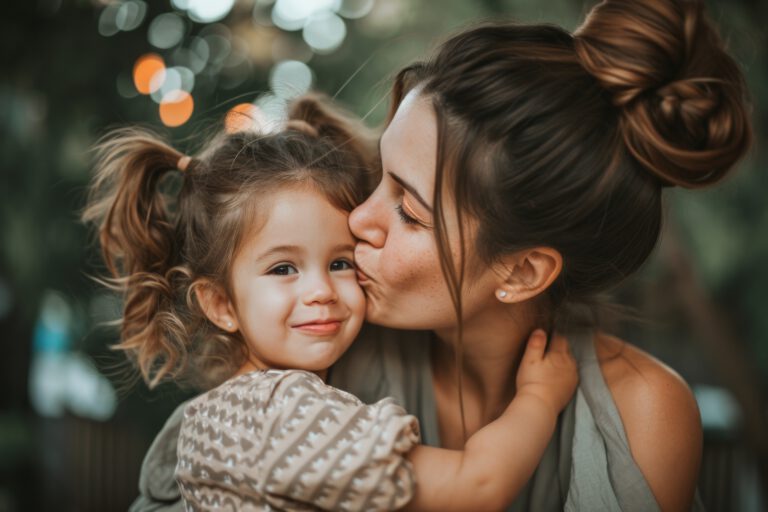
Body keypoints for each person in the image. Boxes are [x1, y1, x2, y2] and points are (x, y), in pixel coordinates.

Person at [127, 0, 752, 510]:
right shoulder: (324, 347)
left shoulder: (642, 414)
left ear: (522, 270)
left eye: (409, 210)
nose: (358, 220)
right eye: (380, 177)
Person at [83, 95, 578, 511]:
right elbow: (479, 485)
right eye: (283, 269)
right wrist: (539, 398)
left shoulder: (241, 411)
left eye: (340, 262)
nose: (321, 290)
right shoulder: (280, 415)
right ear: (220, 304)